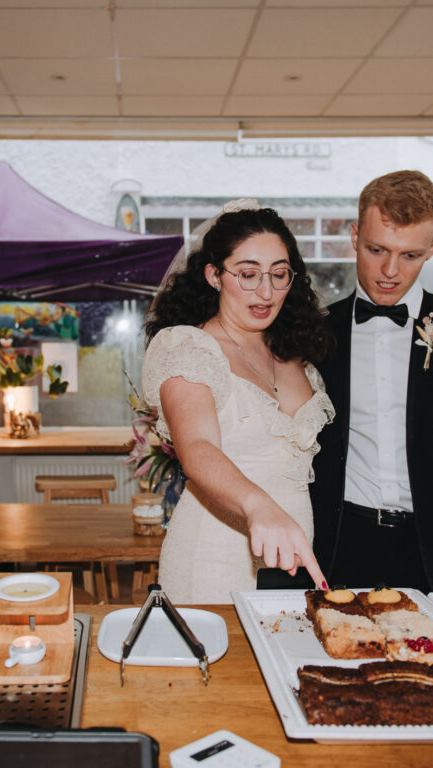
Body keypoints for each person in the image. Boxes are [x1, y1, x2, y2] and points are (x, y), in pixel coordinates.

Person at [310, 170, 433, 594]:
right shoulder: (315, 334)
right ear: (353, 236)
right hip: (343, 542)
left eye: (410, 255)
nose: (390, 270)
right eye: (376, 249)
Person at [143, 205, 335, 604]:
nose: (265, 292)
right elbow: (197, 447)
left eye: (279, 275)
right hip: (215, 559)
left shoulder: (294, 353)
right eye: (248, 275)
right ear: (214, 275)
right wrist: (257, 505)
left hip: (292, 565)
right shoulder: (188, 346)